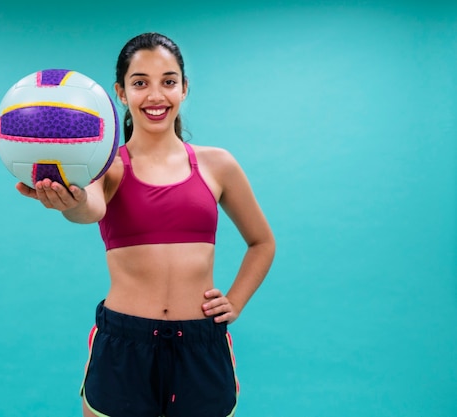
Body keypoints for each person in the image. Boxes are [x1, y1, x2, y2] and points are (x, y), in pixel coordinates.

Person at [16, 32, 275, 417]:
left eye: (168, 81)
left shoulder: (218, 164)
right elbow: (90, 209)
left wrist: (235, 302)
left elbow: (262, 242)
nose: (156, 96)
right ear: (121, 92)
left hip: (201, 346)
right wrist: (69, 202)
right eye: (141, 83)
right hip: (125, 343)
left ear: (184, 88)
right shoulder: (104, 166)